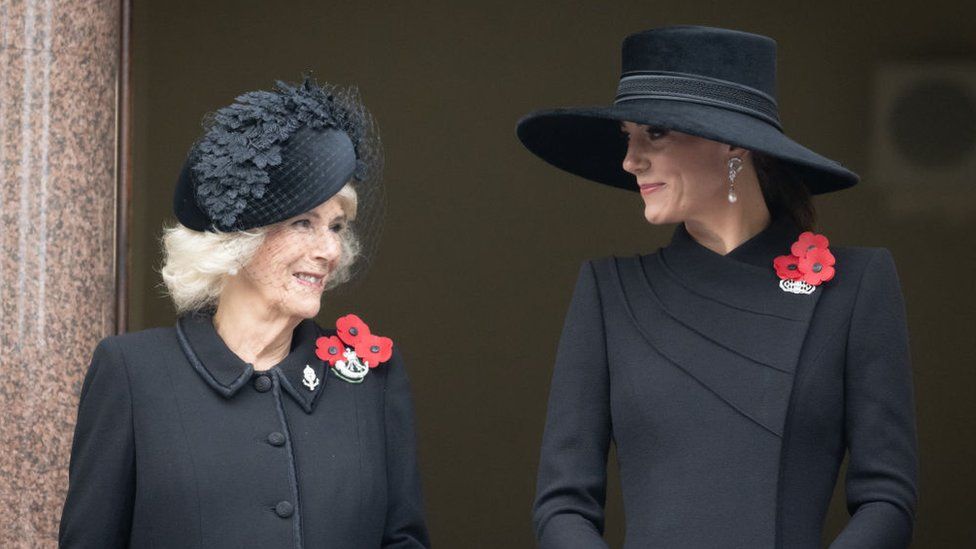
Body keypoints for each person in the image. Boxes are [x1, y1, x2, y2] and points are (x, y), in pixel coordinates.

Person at [517, 26, 918, 548]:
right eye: (628, 136)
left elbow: (887, 498)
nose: (630, 160)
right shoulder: (608, 293)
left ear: (732, 143)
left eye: (654, 133)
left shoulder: (856, 286)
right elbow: (562, 505)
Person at [59, 78, 430, 548]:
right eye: (303, 223)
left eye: (336, 226)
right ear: (236, 240)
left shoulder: (370, 379)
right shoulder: (133, 373)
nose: (330, 249)